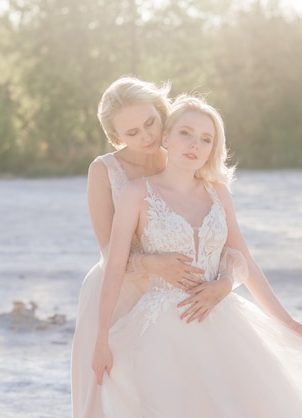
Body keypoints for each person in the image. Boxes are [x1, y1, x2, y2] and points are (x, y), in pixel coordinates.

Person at [92, 94, 302, 417]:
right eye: (185, 133)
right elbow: (113, 266)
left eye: (205, 139)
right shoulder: (136, 193)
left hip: (222, 318)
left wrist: (286, 320)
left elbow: (245, 262)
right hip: (161, 328)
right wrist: (100, 338)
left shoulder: (218, 193)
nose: (194, 144)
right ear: (166, 137)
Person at [71, 78, 235, 418]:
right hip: (119, 292)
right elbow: (108, 253)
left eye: (150, 123)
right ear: (117, 138)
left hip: (179, 291)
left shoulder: (182, 153)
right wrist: (151, 264)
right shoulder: (104, 171)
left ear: (162, 113)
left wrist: (226, 279)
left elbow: (219, 233)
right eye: (132, 133)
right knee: (120, 394)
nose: (146, 137)